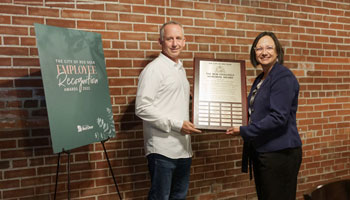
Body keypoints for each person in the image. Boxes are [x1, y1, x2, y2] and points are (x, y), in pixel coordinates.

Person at [226, 32, 302, 200]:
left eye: (269, 47)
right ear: (254, 52)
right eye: (259, 48)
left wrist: (245, 130)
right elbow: (254, 112)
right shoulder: (261, 78)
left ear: (277, 51)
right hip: (264, 152)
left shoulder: (282, 76)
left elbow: (278, 117)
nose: (264, 52)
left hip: (280, 154)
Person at [135, 21, 201, 200]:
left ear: (184, 41)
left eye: (178, 38)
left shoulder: (180, 69)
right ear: (161, 41)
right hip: (162, 149)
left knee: (178, 196)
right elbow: (142, 107)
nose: (174, 43)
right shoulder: (154, 70)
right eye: (169, 39)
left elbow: (172, 99)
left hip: (183, 148)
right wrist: (177, 124)